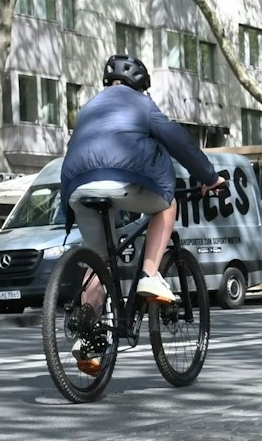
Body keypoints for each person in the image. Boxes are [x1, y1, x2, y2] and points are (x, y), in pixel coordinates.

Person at [59, 55, 226, 370]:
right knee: (167, 203)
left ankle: (87, 341)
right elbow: (179, 141)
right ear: (140, 83)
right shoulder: (142, 104)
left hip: (77, 187)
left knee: (98, 261)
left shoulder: (89, 108)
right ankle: (150, 274)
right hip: (122, 180)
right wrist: (210, 177)